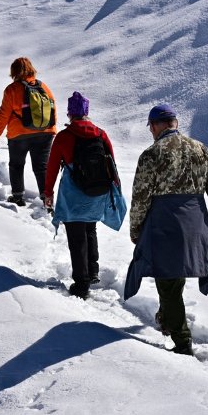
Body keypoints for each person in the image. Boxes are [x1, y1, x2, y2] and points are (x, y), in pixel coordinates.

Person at [125, 103, 208, 356]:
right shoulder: (200, 148)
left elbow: (140, 197)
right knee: (174, 273)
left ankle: (182, 341)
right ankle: (167, 318)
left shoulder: (152, 154)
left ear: (156, 125)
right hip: (196, 221)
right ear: (175, 123)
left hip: (165, 222)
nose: (151, 132)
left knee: (168, 280)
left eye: (150, 127)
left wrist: (136, 229)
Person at [43, 91, 125, 300]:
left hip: (73, 195)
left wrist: (48, 192)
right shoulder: (101, 134)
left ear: (70, 113)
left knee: (76, 235)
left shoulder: (64, 136)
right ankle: (93, 271)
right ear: (87, 112)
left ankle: (81, 283)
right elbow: (111, 163)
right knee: (90, 228)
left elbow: (52, 167)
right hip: (97, 192)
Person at [0, 57, 57, 206]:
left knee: (16, 165)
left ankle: (18, 197)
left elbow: (3, 115)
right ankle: (47, 200)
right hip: (45, 133)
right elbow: (52, 109)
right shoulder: (43, 86)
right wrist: (51, 129)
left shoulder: (12, 90)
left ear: (14, 72)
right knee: (41, 167)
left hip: (19, 135)